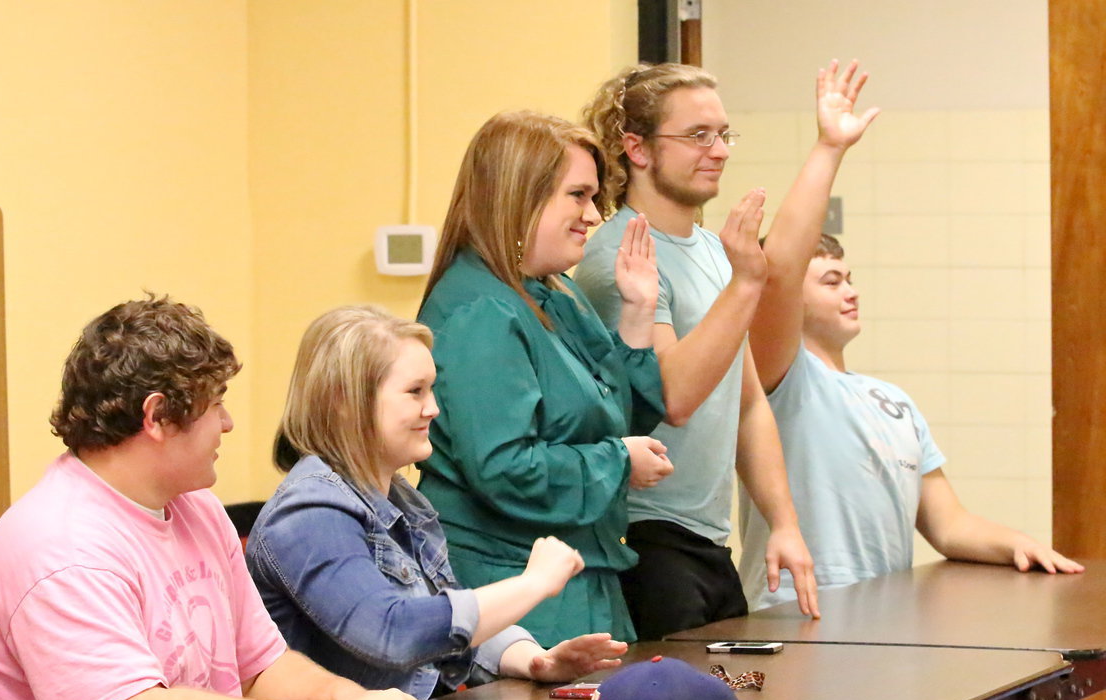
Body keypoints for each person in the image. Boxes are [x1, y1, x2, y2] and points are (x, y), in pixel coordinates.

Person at [0, 296, 449, 700]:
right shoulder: (59, 543)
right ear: (158, 416)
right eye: (215, 404)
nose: (227, 423)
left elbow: (262, 668)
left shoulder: (195, 509)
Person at [576, 61, 877, 637]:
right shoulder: (622, 257)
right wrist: (745, 284)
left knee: (743, 696)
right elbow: (674, 396)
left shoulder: (714, 251)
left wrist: (784, 524)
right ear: (636, 148)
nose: (718, 150)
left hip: (710, 539)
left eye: (722, 134)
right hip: (646, 536)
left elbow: (747, 402)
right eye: (697, 136)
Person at [247, 305, 629, 700]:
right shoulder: (309, 514)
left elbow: (445, 623)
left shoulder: (403, 501)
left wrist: (533, 659)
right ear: (343, 401)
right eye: (415, 392)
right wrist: (532, 584)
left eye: (431, 389)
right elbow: (392, 632)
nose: (433, 408)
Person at [416, 111, 672, 647]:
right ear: (520, 198)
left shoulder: (552, 291)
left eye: (594, 198)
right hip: (517, 595)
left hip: (577, 579)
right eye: (577, 196)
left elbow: (617, 416)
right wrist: (619, 460)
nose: (594, 215)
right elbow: (506, 468)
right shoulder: (480, 311)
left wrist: (638, 313)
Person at [739, 233, 1084, 610]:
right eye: (832, 282)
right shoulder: (779, 381)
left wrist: (1020, 544)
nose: (851, 293)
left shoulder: (894, 400)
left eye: (850, 279)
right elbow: (778, 282)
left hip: (884, 616)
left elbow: (948, 524)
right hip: (794, 611)